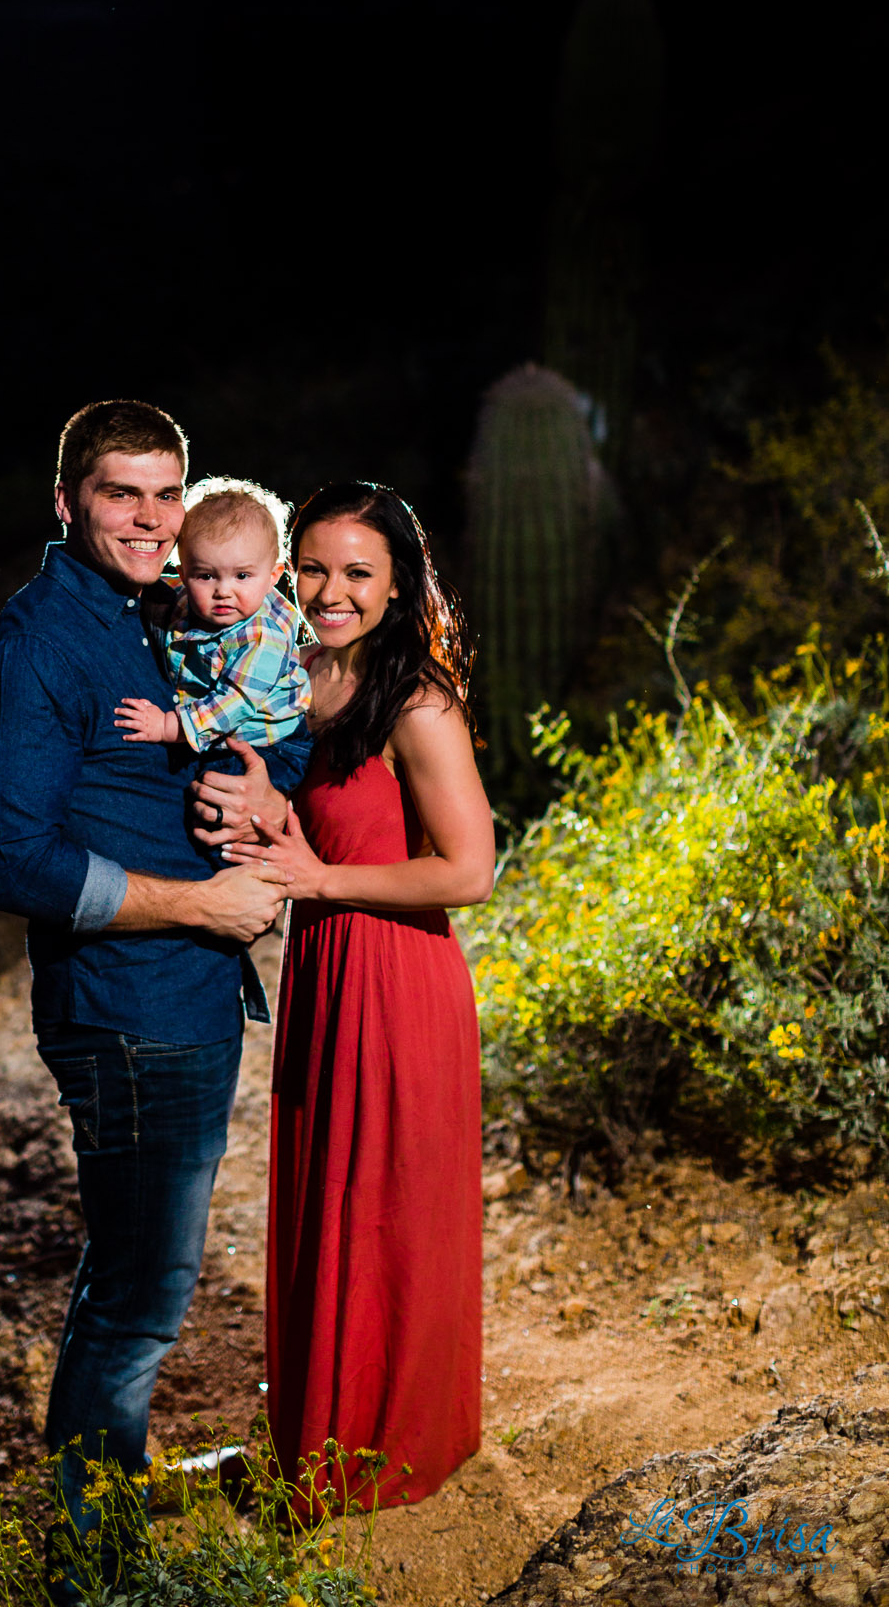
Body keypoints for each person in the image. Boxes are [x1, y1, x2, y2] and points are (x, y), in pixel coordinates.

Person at [0, 401, 311, 1592]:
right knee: (140, 1299)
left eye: (169, 493)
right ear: (68, 504)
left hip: (183, 1001)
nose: (154, 518)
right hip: (128, 1006)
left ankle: (114, 1491)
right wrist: (202, 905)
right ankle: (98, 1565)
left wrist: (262, 782)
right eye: (124, 494)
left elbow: (245, 719)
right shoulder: (36, 648)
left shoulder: (147, 613)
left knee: (141, 1274)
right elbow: (17, 861)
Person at [222, 480, 496, 1511]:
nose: (332, 590)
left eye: (359, 572)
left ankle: (395, 1454)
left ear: (397, 586)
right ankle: (318, 1436)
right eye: (316, 566)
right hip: (326, 968)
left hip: (397, 977)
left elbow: (469, 869)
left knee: (385, 1215)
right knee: (325, 1200)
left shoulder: (415, 700)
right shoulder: (290, 675)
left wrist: (322, 880)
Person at [115, 476, 311, 753]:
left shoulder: (263, 635)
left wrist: (167, 727)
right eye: (206, 576)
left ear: (273, 577)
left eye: (242, 576)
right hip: (214, 730)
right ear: (183, 575)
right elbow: (158, 590)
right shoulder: (187, 596)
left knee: (211, 790)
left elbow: (235, 701)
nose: (223, 591)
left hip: (267, 743)